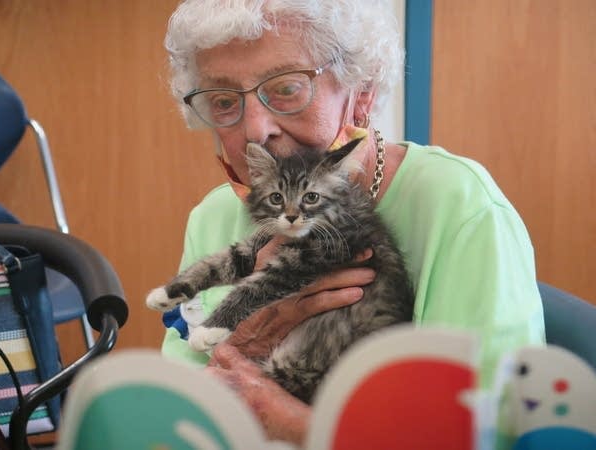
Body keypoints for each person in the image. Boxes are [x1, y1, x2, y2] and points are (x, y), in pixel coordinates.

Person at [158, 0, 545, 445]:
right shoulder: (213, 217)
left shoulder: (459, 205)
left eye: (286, 88)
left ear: (362, 92)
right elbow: (174, 427)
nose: (254, 129)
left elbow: (487, 433)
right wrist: (242, 345)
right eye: (224, 101)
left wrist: (292, 423)